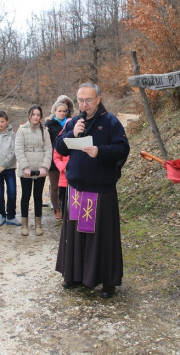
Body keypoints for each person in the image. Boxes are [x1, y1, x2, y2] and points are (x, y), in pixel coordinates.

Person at [54, 83, 130, 298]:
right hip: (76, 189)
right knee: (76, 236)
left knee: (101, 238)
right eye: (80, 100)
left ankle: (107, 281)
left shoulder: (110, 121)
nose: (84, 104)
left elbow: (123, 149)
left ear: (98, 99)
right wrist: (72, 133)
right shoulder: (73, 122)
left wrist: (99, 151)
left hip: (100, 190)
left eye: (88, 100)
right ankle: (74, 275)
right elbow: (59, 146)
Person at [15, 105, 52, 236]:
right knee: (25, 196)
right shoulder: (22, 130)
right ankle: (24, 224)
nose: (36, 117)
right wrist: (25, 167)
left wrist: (44, 167)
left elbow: (48, 150)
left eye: (38, 114)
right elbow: (18, 149)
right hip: (26, 169)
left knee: (38, 196)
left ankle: (38, 224)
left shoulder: (44, 131)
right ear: (29, 115)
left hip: (40, 168)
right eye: (33, 114)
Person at [0, 111, 19, 227]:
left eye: (2, 121)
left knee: (11, 192)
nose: (0, 124)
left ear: (7, 121)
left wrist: (4, 166)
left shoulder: (12, 135)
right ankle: (1, 214)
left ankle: (11, 215)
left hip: (9, 168)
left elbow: (13, 152)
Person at [45, 101, 69, 220]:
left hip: (67, 159)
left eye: (64, 111)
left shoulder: (70, 123)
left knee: (65, 186)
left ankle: (67, 208)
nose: (62, 113)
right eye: (60, 111)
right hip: (53, 160)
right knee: (55, 186)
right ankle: (56, 208)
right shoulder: (49, 125)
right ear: (54, 112)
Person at [53, 141, 69, 217]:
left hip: (79, 177)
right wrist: (63, 168)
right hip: (64, 178)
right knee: (65, 202)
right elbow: (56, 157)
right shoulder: (63, 134)